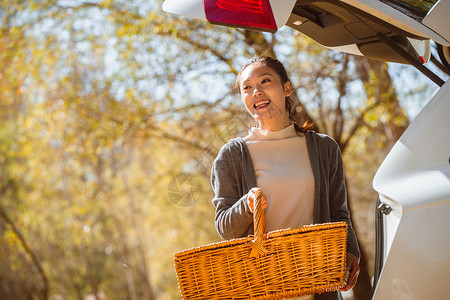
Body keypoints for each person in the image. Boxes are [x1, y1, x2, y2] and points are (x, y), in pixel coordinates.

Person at [210, 56, 360, 300]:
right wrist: (247, 205)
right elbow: (225, 228)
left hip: (318, 285)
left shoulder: (324, 148)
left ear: (286, 88)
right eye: (246, 88)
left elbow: (339, 214)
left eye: (265, 81)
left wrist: (352, 251)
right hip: (262, 288)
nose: (256, 91)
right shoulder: (232, 155)